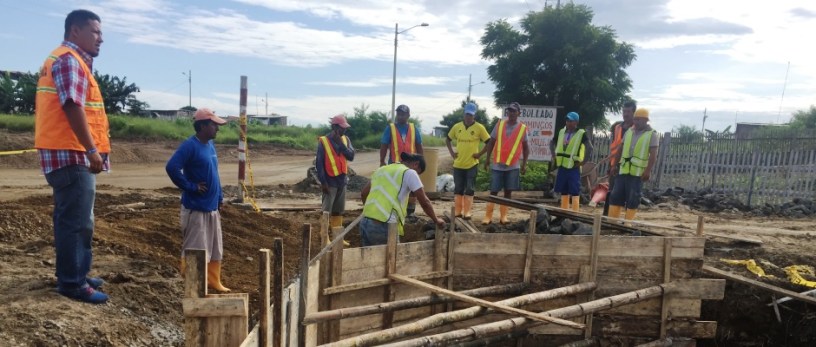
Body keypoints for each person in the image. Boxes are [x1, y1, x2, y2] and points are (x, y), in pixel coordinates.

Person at [34, 9, 109, 304]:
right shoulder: (69, 60)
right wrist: (91, 149)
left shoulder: (67, 59)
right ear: (75, 31)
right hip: (71, 153)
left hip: (68, 151)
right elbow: (71, 105)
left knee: (77, 219)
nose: (101, 38)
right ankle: (72, 283)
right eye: (95, 32)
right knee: (76, 221)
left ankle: (76, 273)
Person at [166, 108, 232, 292]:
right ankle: (194, 284)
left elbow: (214, 173)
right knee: (196, 248)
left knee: (214, 247)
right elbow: (172, 167)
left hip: (211, 207)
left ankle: (213, 281)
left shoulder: (210, 145)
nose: (217, 128)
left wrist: (219, 196)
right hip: (196, 208)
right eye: (214, 125)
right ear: (202, 126)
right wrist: (191, 186)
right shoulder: (190, 146)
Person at [360, 153, 445, 246]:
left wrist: (371, 212)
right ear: (416, 164)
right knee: (392, 255)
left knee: (370, 255)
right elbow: (424, 201)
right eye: (418, 173)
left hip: (365, 222)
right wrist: (436, 219)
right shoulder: (409, 172)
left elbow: (364, 193)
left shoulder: (381, 170)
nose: (417, 176)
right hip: (384, 224)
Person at [475, 102, 530, 224]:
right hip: (497, 165)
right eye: (509, 111)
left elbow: (526, 148)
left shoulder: (522, 128)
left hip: (513, 165)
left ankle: (503, 216)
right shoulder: (499, 125)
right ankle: (488, 216)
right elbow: (491, 142)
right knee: (493, 190)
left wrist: (524, 164)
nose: (511, 113)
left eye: (514, 111)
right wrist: (487, 159)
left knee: (508, 191)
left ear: (519, 113)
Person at [607, 108, 659, 226]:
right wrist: (614, 165)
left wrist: (648, 171)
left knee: (633, 198)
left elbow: (653, 155)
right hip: (623, 170)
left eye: (638, 119)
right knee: (616, 196)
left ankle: (628, 223)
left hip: (637, 173)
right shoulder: (629, 132)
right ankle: (612, 221)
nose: (635, 122)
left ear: (646, 120)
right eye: (635, 119)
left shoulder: (652, 135)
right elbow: (620, 149)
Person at [445, 102, 490, 219]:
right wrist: (452, 153)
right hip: (458, 164)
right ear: (464, 114)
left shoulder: (479, 128)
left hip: (471, 164)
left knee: (470, 188)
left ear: (474, 115)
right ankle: (458, 211)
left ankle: (467, 212)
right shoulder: (457, 127)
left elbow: (489, 142)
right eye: (467, 114)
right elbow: (448, 139)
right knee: (458, 188)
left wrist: (480, 154)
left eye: (471, 115)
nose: (468, 117)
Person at [316, 114, 355, 246]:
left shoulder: (346, 139)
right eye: (342, 128)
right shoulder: (323, 141)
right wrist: (323, 183)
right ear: (334, 127)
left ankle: (337, 237)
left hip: (342, 180)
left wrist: (341, 145)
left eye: (345, 128)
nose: (344, 130)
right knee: (327, 210)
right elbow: (319, 164)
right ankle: (324, 237)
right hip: (329, 181)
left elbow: (351, 156)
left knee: (338, 210)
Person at [379, 104, 423, 220]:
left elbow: (419, 146)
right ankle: (394, 210)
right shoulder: (390, 128)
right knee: (394, 188)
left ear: (408, 115)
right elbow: (384, 145)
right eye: (398, 114)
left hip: (411, 165)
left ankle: (410, 212)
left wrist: (421, 161)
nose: (400, 116)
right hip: (395, 164)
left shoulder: (414, 128)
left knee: (412, 188)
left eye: (403, 114)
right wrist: (382, 161)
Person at [551, 111, 591, 212]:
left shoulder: (581, 134)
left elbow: (590, 147)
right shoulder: (562, 132)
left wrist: (583, 162)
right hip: (562, 166)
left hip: (574, 166)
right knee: (563, 190)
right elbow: (552, 142)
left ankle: (574, 213)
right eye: (567, 120)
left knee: (575, 190)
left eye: (571, 121)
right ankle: (564, 212)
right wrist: (553, 154)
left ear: (576, 122)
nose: (568, 122)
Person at [603, 100, 636, 215]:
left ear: (634, 113)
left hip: (630, 165)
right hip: (615, 163)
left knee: (629, 192)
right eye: (624, 111)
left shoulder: (637, 128)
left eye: (628, 112)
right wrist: (612, 165)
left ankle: (627, 219)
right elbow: (615, 146)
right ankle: (607, 215)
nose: (625, 114)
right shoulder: (617, 127)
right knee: (612, 190)